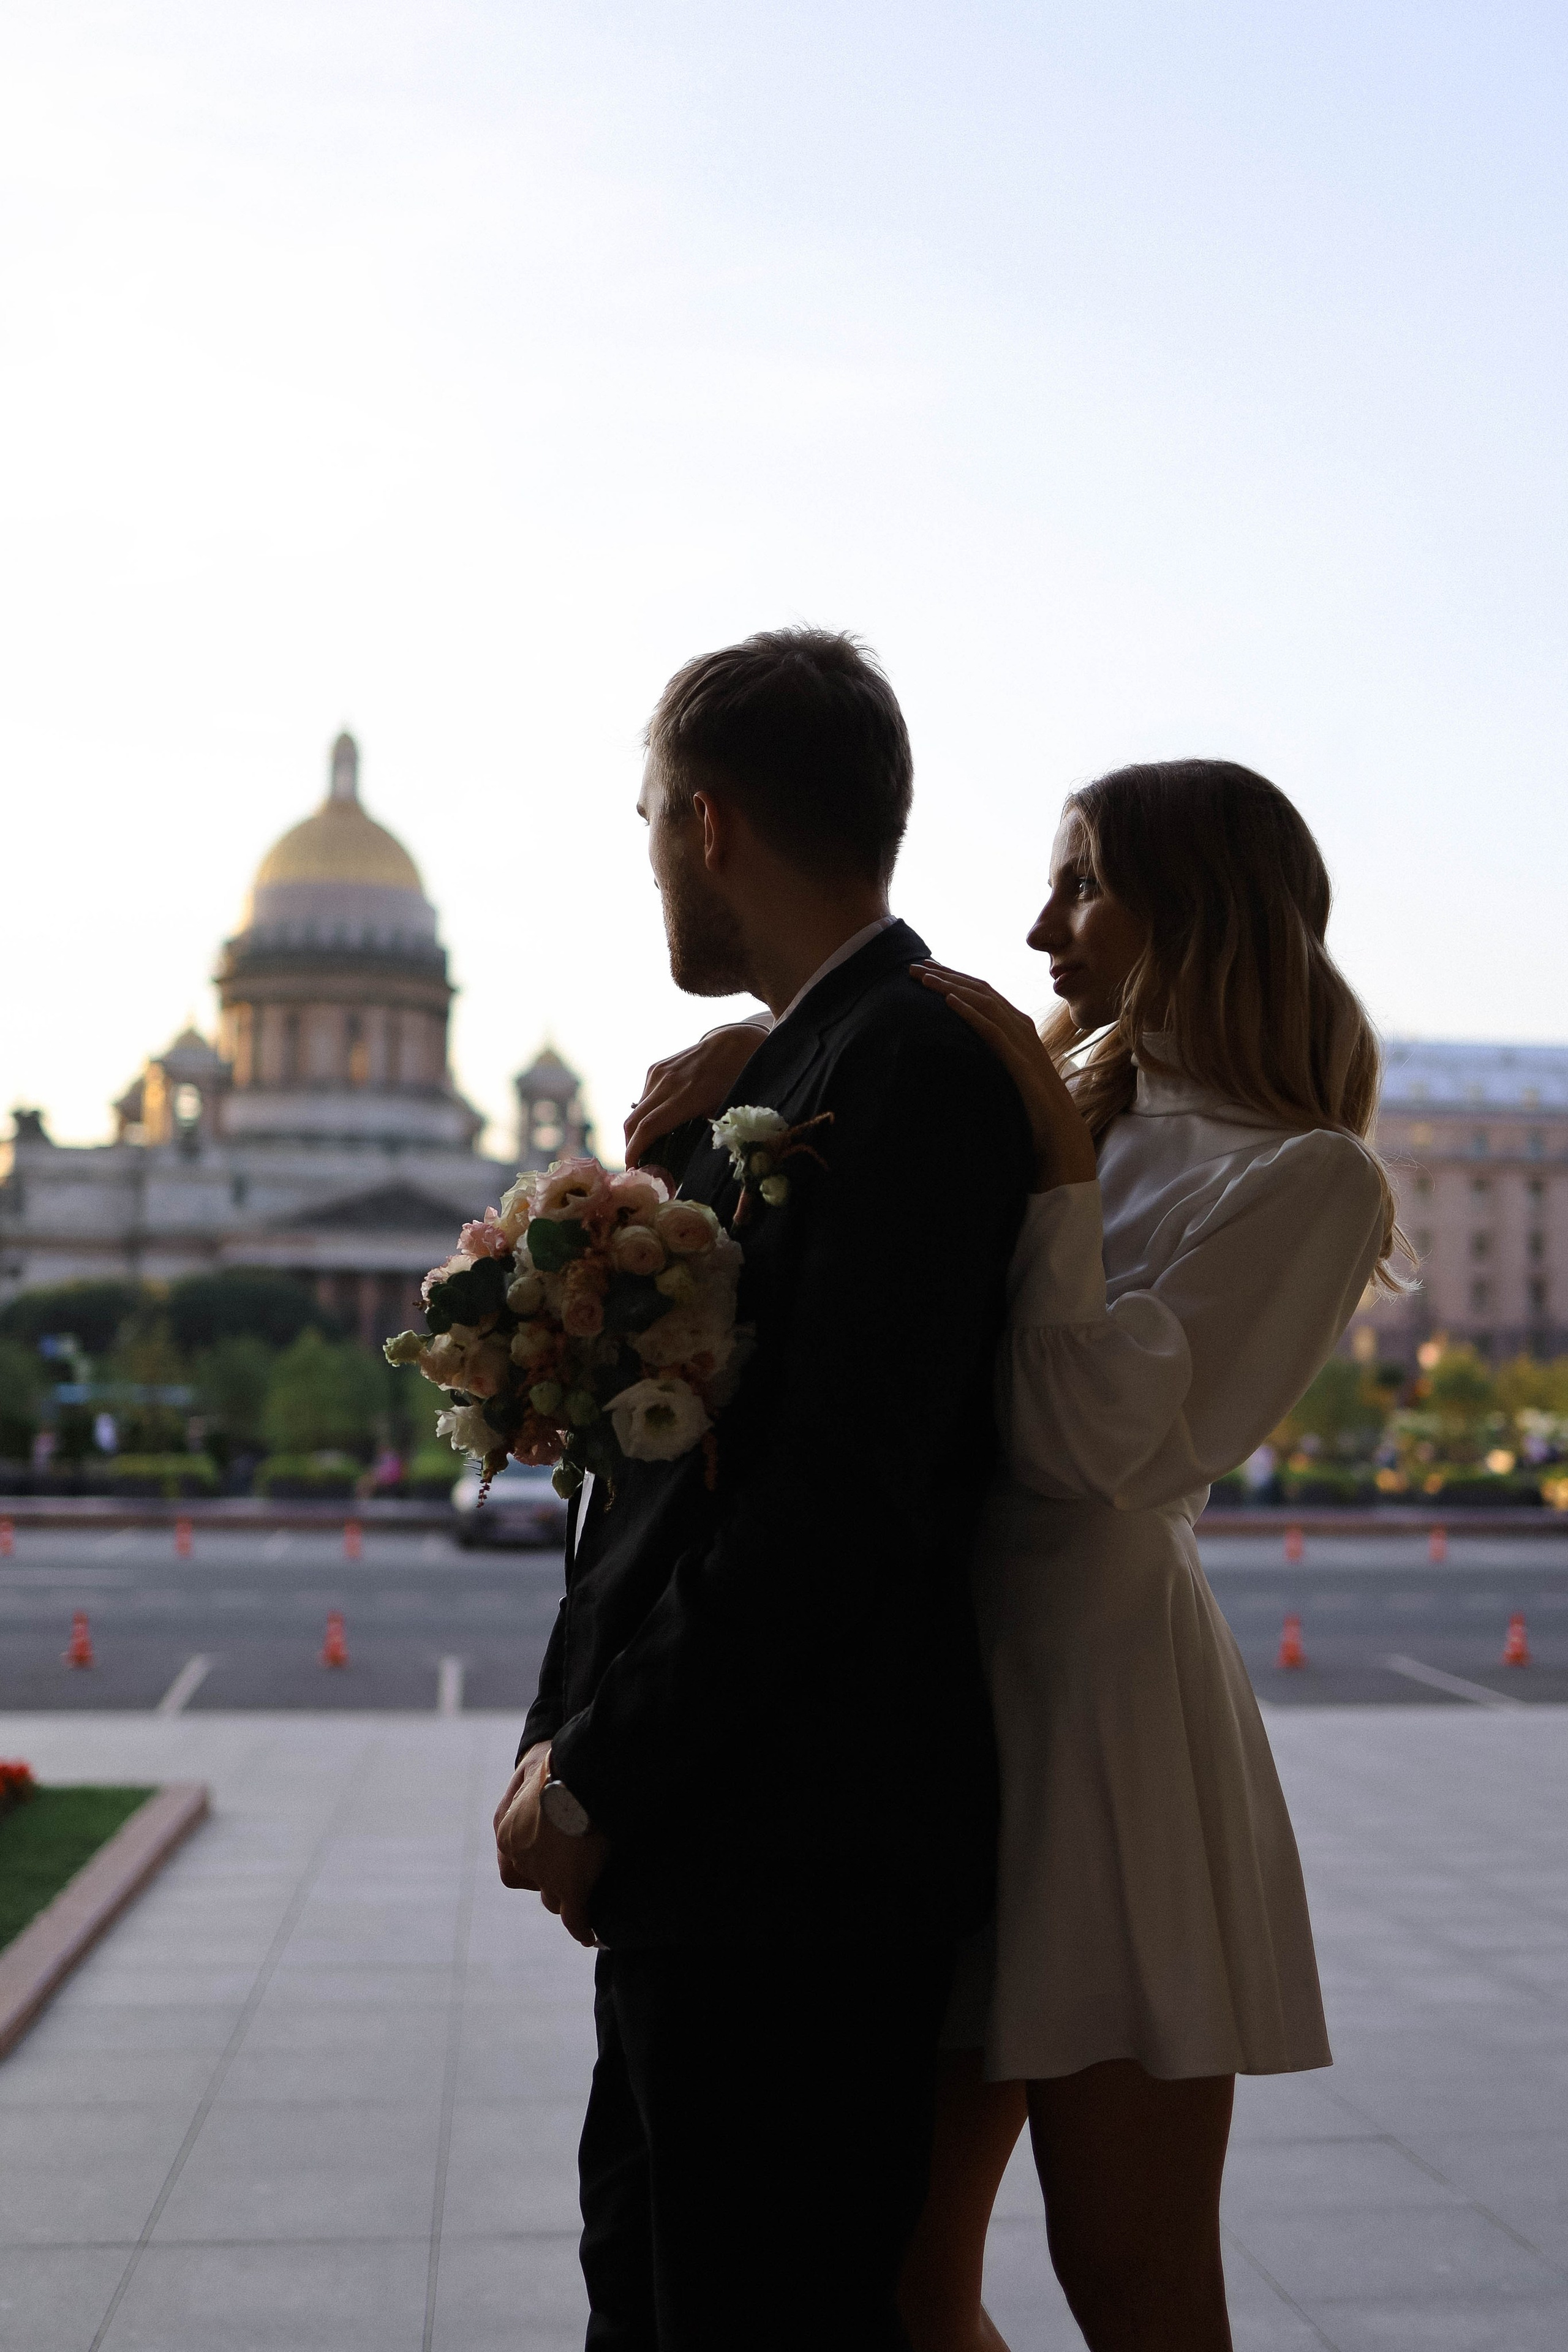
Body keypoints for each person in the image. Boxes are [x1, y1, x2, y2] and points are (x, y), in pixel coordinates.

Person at [637, 758, 1400, 2352]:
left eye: (1082, 885)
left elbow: (1090, 1447)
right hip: (938, 1723)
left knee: (1132, 2286)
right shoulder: (1059, 1110)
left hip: (1110, 1738)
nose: (1040, 923)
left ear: (1193, 906)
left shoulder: (1309, 1176)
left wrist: (1055, 1166)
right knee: (906, 2286)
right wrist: (774, 1070)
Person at [492, 627, 1033, 2351]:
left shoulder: (904, 1074)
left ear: (709, 825)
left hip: (795, 1879)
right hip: (717, 1868)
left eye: (651, 813)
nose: (652, 848)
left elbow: (834, 1506)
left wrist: (597, 1770)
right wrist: (574, 1750)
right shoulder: (802, 1066)